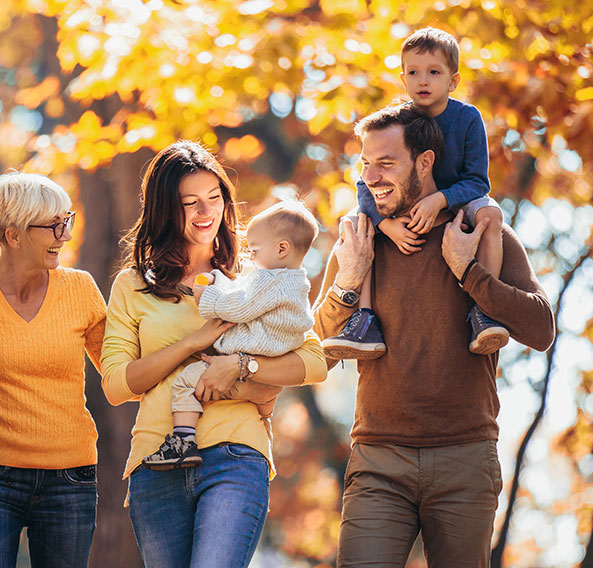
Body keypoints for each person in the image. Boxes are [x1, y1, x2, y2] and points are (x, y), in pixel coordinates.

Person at [314, 103, 555, 567]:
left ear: (425, 162)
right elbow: (313, 350)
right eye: (365, 164)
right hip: (378, 460)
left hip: (465, 459)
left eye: (386, 163)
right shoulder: (360, 240)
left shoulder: (481, 233)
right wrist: (347, 283)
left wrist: (469, 271)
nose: (371, 176)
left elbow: (541, 329)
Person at [101, 141, 327, 567]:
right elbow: (116, 385)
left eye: (214, 198)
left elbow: (313, 363)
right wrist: (192, 342)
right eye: (190, 203)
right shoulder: (132, 286)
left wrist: (241, 368)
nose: (206, 212)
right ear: (165, 209)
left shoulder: (256, 275)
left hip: (235, 455)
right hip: (156, 461)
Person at [0, 172, 105, 567]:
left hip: (70, 477)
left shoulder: (81, 289)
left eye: (66, 221)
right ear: (14, 236)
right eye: (54, 226)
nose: (65, 235)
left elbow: (121, 372)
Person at [323, 27, 509, 360]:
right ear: (403, 78)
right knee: (356, 225)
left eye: (434, 72)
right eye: (413, 72)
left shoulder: (467, 119)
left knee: (491, 215)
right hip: (398, 208)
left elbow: (479, 181)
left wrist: (440, 199)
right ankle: (364, 321)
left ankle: (484, 309)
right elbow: (367, 182)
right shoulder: (401, 121)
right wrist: (383, 224)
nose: (423, 81)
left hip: (459, 202)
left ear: (453, 81)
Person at [142, 200, 319, 470]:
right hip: (271, 361)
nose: (250, 257)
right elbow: (242, 290)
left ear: (282, 248)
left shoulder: (267, 279)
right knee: (263, 406)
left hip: (249, 351)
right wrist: (219, 280)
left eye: (256, 250)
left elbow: (239, 306)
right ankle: (264, 427)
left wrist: (207, 296)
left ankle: (182, 441)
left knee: (185, 383)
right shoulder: (295, 282)